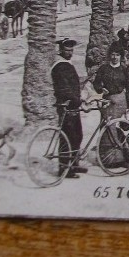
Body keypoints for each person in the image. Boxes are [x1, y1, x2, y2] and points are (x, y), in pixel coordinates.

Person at [51, 38, 87, 179]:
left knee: (77, 135)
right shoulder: (60, 66)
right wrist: (77, 99)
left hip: (72, 106)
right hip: (66, 105)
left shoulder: (67, 64)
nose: (69, 52)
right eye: (67, 50)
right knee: (67, 137)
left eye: (71, 50)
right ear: (61, 50)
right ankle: (65, 169)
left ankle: (73, 164)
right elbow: (64, 88)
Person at [93, 44, 129, 121]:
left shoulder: (124, 70)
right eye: (112, 55)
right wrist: (100, 89)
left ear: (121, 56)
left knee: (119, 126)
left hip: (121, 101)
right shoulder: (103, 68)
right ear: (109, 55)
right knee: (107, 127)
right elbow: (96, 83)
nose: (115, 57)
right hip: (107, 101)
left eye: (117, 55)